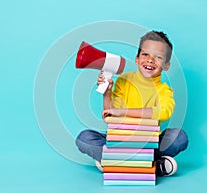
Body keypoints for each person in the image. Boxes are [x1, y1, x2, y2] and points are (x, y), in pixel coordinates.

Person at [76, 31, 188, 176]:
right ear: (136, 59)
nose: (150, 60)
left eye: (158, 57)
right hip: (119, 142)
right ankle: (154, 164)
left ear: (166, 66)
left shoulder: (164, 90)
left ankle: (113, 162)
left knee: (179, 137)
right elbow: (109, 117)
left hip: (149, 143)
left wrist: (124, 112)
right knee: (84, 138)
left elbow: (164, 111)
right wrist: (107, 93)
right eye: (145, 54)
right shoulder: (124, 81)